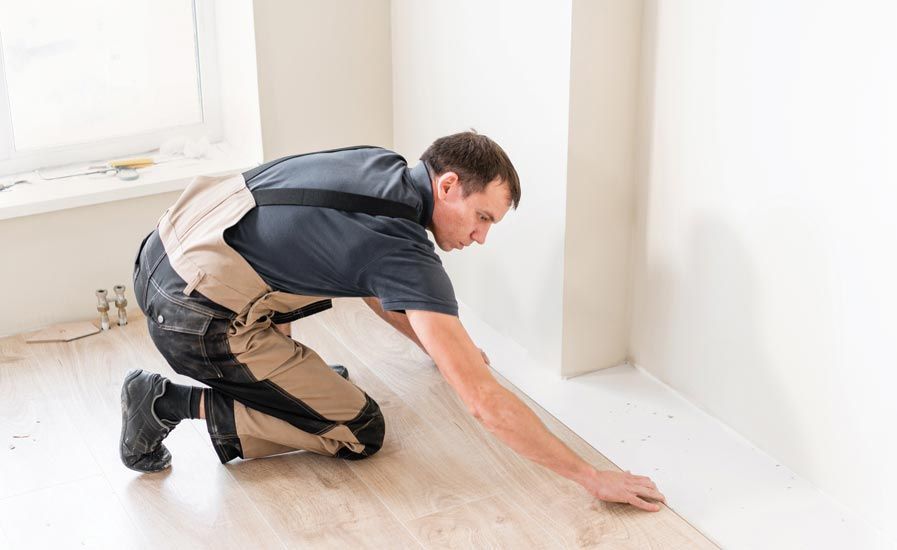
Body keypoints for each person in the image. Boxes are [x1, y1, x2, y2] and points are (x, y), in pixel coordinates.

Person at [120, 130, 666, 512]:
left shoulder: (380, 165)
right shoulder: (404, 252)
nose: (481, 237)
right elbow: (482, 402)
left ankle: (287, 382)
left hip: (166, 252)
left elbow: (368, 285)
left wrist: (439, 347)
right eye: (481, 218)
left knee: (317, 273)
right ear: (448, 185)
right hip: (192, 318)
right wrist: (591, 477)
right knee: (358, 432)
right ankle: (166, 403)